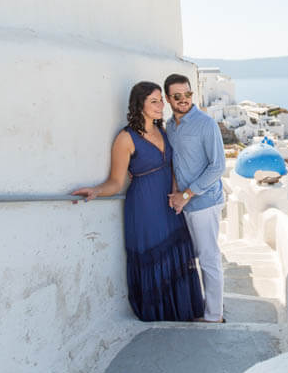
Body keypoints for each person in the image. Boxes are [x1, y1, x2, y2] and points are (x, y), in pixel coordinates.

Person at [71, 81, 203, 322]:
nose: (160, 105)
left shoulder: (163, 130)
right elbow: (115, 181)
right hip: (144, 208)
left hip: (170, 205)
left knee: (176, 252)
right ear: (139, 104)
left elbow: (171, 166)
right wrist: (96, 191)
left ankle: (180, 310)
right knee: (154, 259)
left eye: (160, 100)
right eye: (153, 101)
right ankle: (158, 314)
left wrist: (177, 194)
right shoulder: (126, 138)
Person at [164, 73, 226, 323]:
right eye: (177, 96)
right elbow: (176, 163)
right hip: (183, 202)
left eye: (187, 94)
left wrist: (187, 195)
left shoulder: (206, 124)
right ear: (168, 98)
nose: (183, 100)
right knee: (194, 257)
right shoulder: (169, 126)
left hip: (204, 202)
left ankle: (214, 315)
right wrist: (176, 194)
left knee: (208, 258)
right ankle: (201, 305)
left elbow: (217, 166)